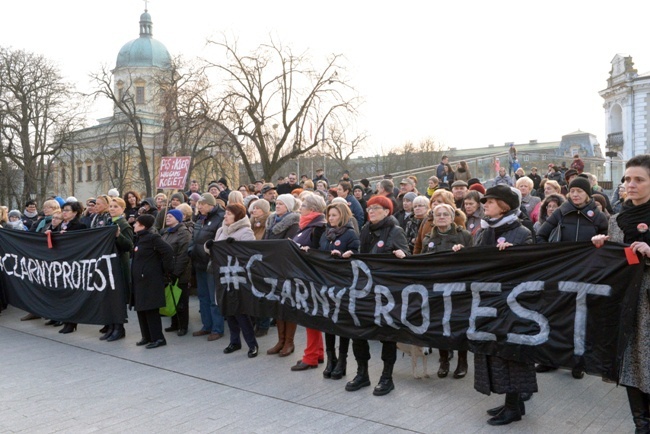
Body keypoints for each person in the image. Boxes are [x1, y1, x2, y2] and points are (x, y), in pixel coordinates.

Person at [592, 155, 650, 432]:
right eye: (627, 179)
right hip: (628, 302)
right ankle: (641, 423)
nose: (631, 184)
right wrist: (605, 246)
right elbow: (623, 261)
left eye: (639, 179)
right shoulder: (618, 219)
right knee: (630, 362)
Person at [474, 185, 535, 426]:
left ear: (505, 206)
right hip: (489, 301)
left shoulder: (521, 232)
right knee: (496, 352)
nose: (485, 204)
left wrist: (515, 254)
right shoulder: (485, 230)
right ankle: (513, 402)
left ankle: (513, 405)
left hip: (512, 305)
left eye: (490, 201)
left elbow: (531, 266)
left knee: (512, 353)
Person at [342, 195, 409, 396]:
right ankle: (362, 373)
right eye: (369, 208)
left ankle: (387, 377)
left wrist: (403, 256)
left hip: (386, 293)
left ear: (387, 211)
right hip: (365, 291)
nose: (371, 211)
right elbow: (363, 255)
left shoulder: (395, 231)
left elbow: (407, 258)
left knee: (387, 335)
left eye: (376, 208)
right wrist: (351, 255)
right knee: (358, 332)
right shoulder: (365, 230)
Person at [420, 203, 473, 379]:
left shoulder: (463, 236)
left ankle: (462, 360)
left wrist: (463, 253)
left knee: (459, 324)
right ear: (433, 219)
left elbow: (474, 260)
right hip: (435, 289)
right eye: (438, 215)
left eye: (445, 214)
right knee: (439, 324)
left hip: (458, 288)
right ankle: (444, 360)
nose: (441, 217)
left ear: (452, 217)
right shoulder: (428, 238)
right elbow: (420, 261)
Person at [315, 202, 360, 379]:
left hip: (343, 284)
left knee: (341, 323)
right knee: (328, 323)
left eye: (334, 215)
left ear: (342, 215)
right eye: (329, 216)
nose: (331, 218)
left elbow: (357, 254)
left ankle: (342, 360)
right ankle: (330, 358)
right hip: (326, 283)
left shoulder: (350, 233)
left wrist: (346, 256)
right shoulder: (325, 234)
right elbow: (320, 253)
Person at [209, 203, 259, 358]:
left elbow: (249, 252)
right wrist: (208, 246)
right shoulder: (220, 229)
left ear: (237, 215)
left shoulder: (246, 231)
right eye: (225, 213)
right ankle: (234, 341)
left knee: (240, 312)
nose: (225, 216)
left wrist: (234, 247)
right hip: (222, 275)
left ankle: (252, 344)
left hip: (238, 276)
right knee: (228, 310)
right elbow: (214, 251)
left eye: (229, 214)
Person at [290, 194, 328, 372]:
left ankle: (311, 356)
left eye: (303, 205)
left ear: (312, 209)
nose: (300, 208)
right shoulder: (306, 225)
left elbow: (319, 252)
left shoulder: (318, 227)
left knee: (311, 316)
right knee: (311, 317)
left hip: (312, 278)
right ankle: (317, 353)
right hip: (303, 276)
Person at [264, 194, 301, 357]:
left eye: (280, 204)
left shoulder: (294, 222)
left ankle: (289, 342)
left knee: (288, 304)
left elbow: (289, 245)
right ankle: (280, 340)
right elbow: (265, 241)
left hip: (286, 268)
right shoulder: (271, 221)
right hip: (272, 267)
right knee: (277, 304)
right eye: (276, 203)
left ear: (288, 206)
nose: (277, 206)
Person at [131, 214, 174, 349]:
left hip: (150, 280)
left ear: (143, 226)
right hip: (139, 280)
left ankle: (158, 338)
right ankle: (147, 336)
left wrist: (163, 269)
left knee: (150, 309)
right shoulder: (139, 238)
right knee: (141, 308)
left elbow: (168, 251)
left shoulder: (152, 238)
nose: (134, 225)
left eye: (136, 223)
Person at [189, 193, 226, 342]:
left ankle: (217, 328)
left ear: (210, 205)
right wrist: (190, 250)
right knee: (202, 296)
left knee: (213, 298)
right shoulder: (200, 218)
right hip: (198, 262)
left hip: (211, 264)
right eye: (199, 205)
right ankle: (206, 326)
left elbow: (219, 241)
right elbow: (194, 237)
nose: (199, 207)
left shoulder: (220, 218)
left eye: (202, 204)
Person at [98, 197, 134, 342]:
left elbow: (129, 246)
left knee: (117, 298)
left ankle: (119, 328)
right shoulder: (108, 222)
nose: (112, 209)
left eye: (116, 206)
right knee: (109, 297)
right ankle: (111, 326)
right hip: (108, 264)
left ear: (122, 209)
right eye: (111, 206)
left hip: (119, 264)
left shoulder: (123, 225)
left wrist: (118, 235)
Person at [160, 208, 192, 337]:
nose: (167, 218)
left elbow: (183, 256)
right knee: (171, 298)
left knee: (181, 300)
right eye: (167, 216)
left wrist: (175, 273)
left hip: (180, 273)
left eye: (170, 216)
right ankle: (174, 323)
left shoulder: (184, 233)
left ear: (178, 219)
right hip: (168, 272)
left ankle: (183, 326)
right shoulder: (166, 232)